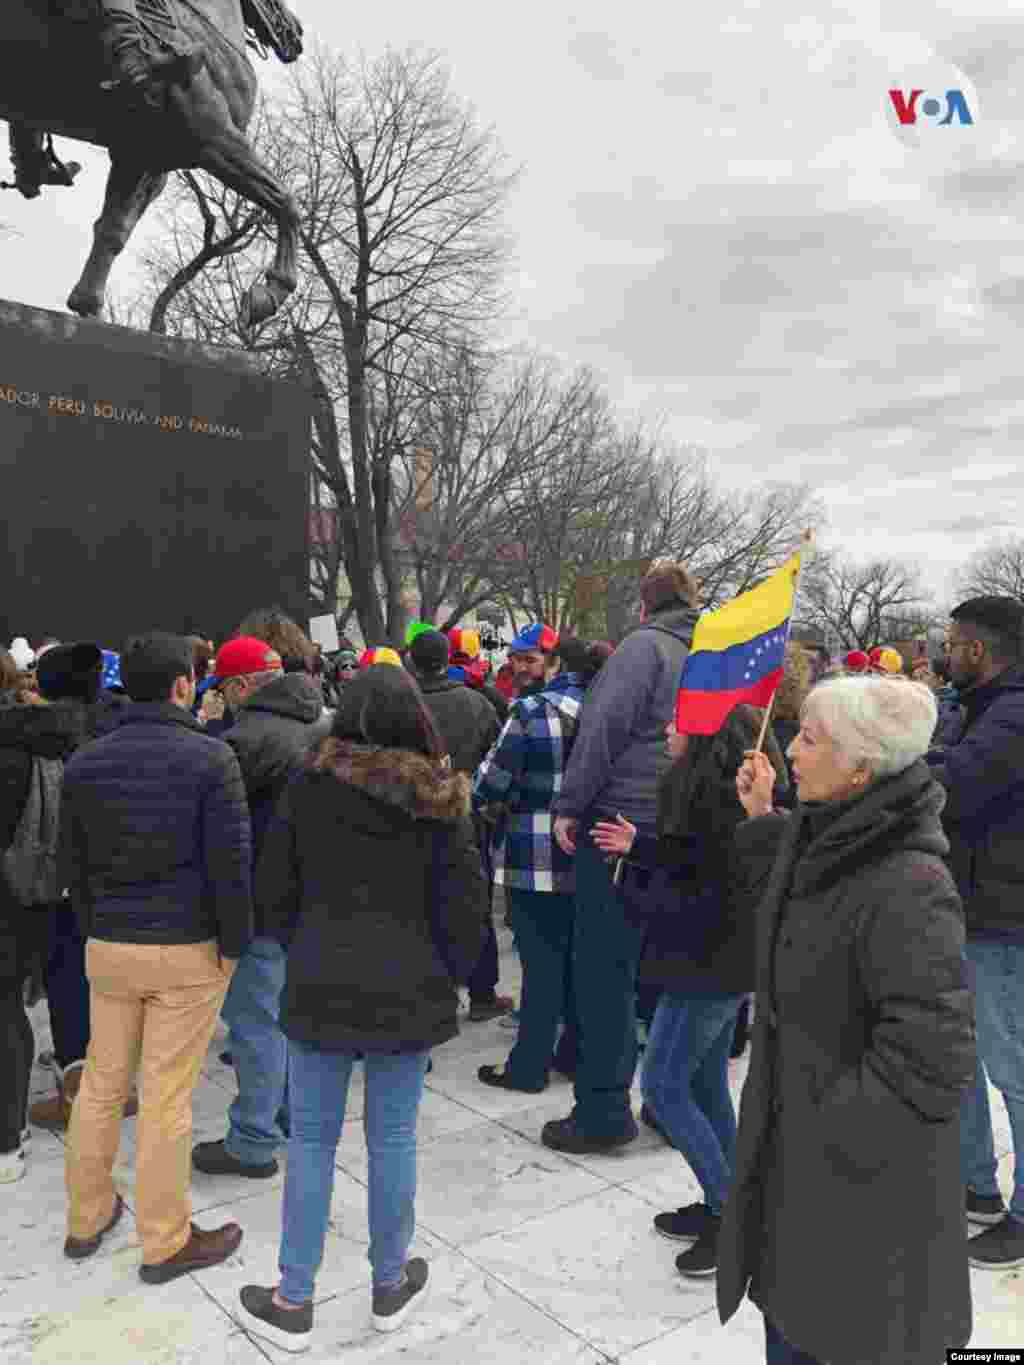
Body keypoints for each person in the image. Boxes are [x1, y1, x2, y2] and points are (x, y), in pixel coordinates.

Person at [717, 675, 974, 1365]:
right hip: (801, 1190)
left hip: (856, 1202)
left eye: (809, 737)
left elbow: (933, 1058)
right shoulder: (825, 833)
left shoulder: (910, 885)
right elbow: (802, 920)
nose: (789, 749)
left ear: (862, 766)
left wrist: (825, 1125)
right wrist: (763, 817)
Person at [236, 666, 487, 1353]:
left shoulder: (308, 788)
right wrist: (449, 972)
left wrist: (308, 944)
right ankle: (387, 1282)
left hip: (320, 982)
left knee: (312, 1140)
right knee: (393, 1138)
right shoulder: (440, 799)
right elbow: (467, 908)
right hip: (407, 990)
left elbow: (273, 890)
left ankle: (295, 1293)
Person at [61, 633, 252, 1282]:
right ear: (181, 684)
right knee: (165, 1096)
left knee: (100, 1085)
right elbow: (233, 868)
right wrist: (234, 948)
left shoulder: (86, 761)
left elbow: (73, 867)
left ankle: (86, 1218)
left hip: (110, 946)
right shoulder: (211, 757)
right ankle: (165, 1240)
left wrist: (96, 927)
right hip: (184, 950)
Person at [593, 707, 786, 1276]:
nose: (667, 732)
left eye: (677, 723)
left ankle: (732, 1219)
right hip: (713, 959)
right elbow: (692, 859)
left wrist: (635, 886)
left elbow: (708, 891)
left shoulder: (721, 796)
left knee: (663, 1084)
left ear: (704, 733)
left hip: (707, 962)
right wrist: (642, 847)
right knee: (703, 1085)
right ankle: (731, 1202)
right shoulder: (702, 791)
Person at [548, 563, 701, 1153]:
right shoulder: (713, 653)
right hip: (681, 829)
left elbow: (600, 733)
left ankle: (604, 1110)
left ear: (644, 605)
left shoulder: (643, 649)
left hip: (620, 825)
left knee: (605, 976)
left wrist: (569, 804)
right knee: (670, 975)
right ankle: (673, 1102)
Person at [193, 637, 329, 1180]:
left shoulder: (242, 740)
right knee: (290, 1019)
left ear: (241, 686)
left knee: (255, 1025)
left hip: (261, 899)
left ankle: (252, 1140)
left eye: (224, 688)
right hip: (311, 896)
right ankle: (291, 1116)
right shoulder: (322, 722)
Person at [927, 596, 1024, 1269]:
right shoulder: (971, 706)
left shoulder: (1014, 714)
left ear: (980, 650)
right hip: (962, 907)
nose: (944, 651)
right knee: (957, 1055)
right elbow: (934, 756)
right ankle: (975, 1183)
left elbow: (950, 784)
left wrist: (874, 763)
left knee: (1013, 1067)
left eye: (952, 642)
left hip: (1005, 920)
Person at [28, 644, 138, 1132]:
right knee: (112, 983)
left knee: (69, 979)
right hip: (128, 880)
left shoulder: (43, 738)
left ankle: (82, 1093)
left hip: (67, 883)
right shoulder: (132, 728)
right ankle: (116, 1082)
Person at [473, 637, 587, 1093]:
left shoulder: (531, 711)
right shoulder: (603, 707)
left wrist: (490, 800)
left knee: (540, 966)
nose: (520, 667)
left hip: (532, 854)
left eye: (530, 659)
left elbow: (491, 781)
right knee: (578, 962)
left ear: (555, 662)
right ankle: (573, 1053)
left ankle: (529, 1065)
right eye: (515, 659)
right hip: (588, 851)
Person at [0, 650, 81, 1182]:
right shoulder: (45, 738)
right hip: (33, 894)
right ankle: (10, 1137)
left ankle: (7, 1140)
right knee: (10, 1009)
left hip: (14, 892)